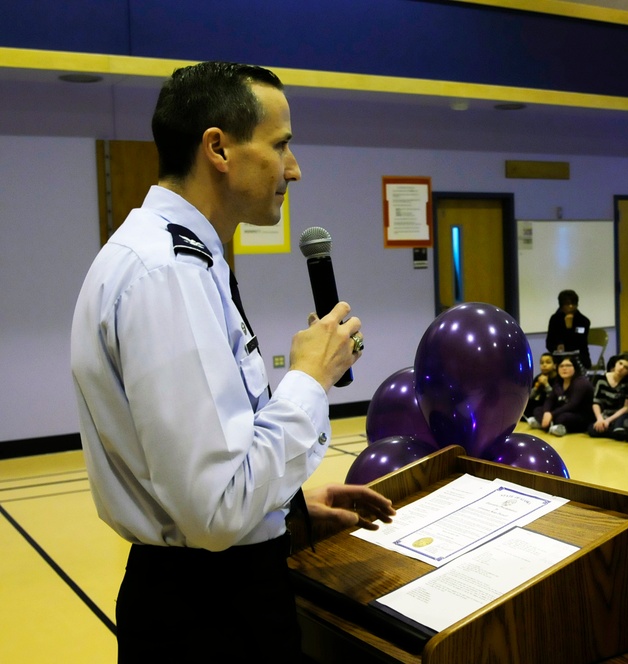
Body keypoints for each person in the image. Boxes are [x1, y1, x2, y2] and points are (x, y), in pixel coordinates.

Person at [69, 62, 396, 661]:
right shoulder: (167, 273)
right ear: (218, 148)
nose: (294, 168)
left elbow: (212, 466)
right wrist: (309, 377)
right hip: (209, 615)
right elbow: (215, 511)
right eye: (281, 145)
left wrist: (287, 508)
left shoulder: (174, 257)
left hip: (206, 591)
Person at [532, 355, 595, 436]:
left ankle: (545, 424)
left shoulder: (581, 383)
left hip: (580, 415)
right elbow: (550, 399)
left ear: (575, 367)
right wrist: (546, 412)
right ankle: (551, 425)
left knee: (562, 418)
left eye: (568, 366)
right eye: (561, 366)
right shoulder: (559, 382)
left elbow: (573, 404)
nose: (564, 368)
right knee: (538, 410)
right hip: (563, 410)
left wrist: (552, 414)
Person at [588, 353, 628, 439]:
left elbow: (626, 407)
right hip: (603, 414)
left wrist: (608, 421)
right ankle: (613, 432)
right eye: (620, 363)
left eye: (626, 367)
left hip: (618, 416)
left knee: (624, 428)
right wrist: (600, 419)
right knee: (593, 430)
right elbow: (595, 401)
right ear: (616, 363)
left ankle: (615, 431)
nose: (621, 368)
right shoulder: (600, 379)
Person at [545, 289, 593, 368]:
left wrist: (569, 328)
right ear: (561, 306)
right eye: (567, 304)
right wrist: (557, 347)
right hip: (559, 357)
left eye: (573, 304)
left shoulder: (584, 321)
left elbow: (580, 343)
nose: (571, 306)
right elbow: (549, 342)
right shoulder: (555, 319)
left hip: (579, 356)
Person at [524, 352, 558, 419]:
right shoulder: (539, 377)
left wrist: (546, 385)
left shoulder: (558, 378)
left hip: (553, 404)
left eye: (548, 362)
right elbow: (529, 397)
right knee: (525, 405)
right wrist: (536, 388)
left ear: (555, 365)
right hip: (541, 404)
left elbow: (556, 398)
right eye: (542, 363)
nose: (544, 365)